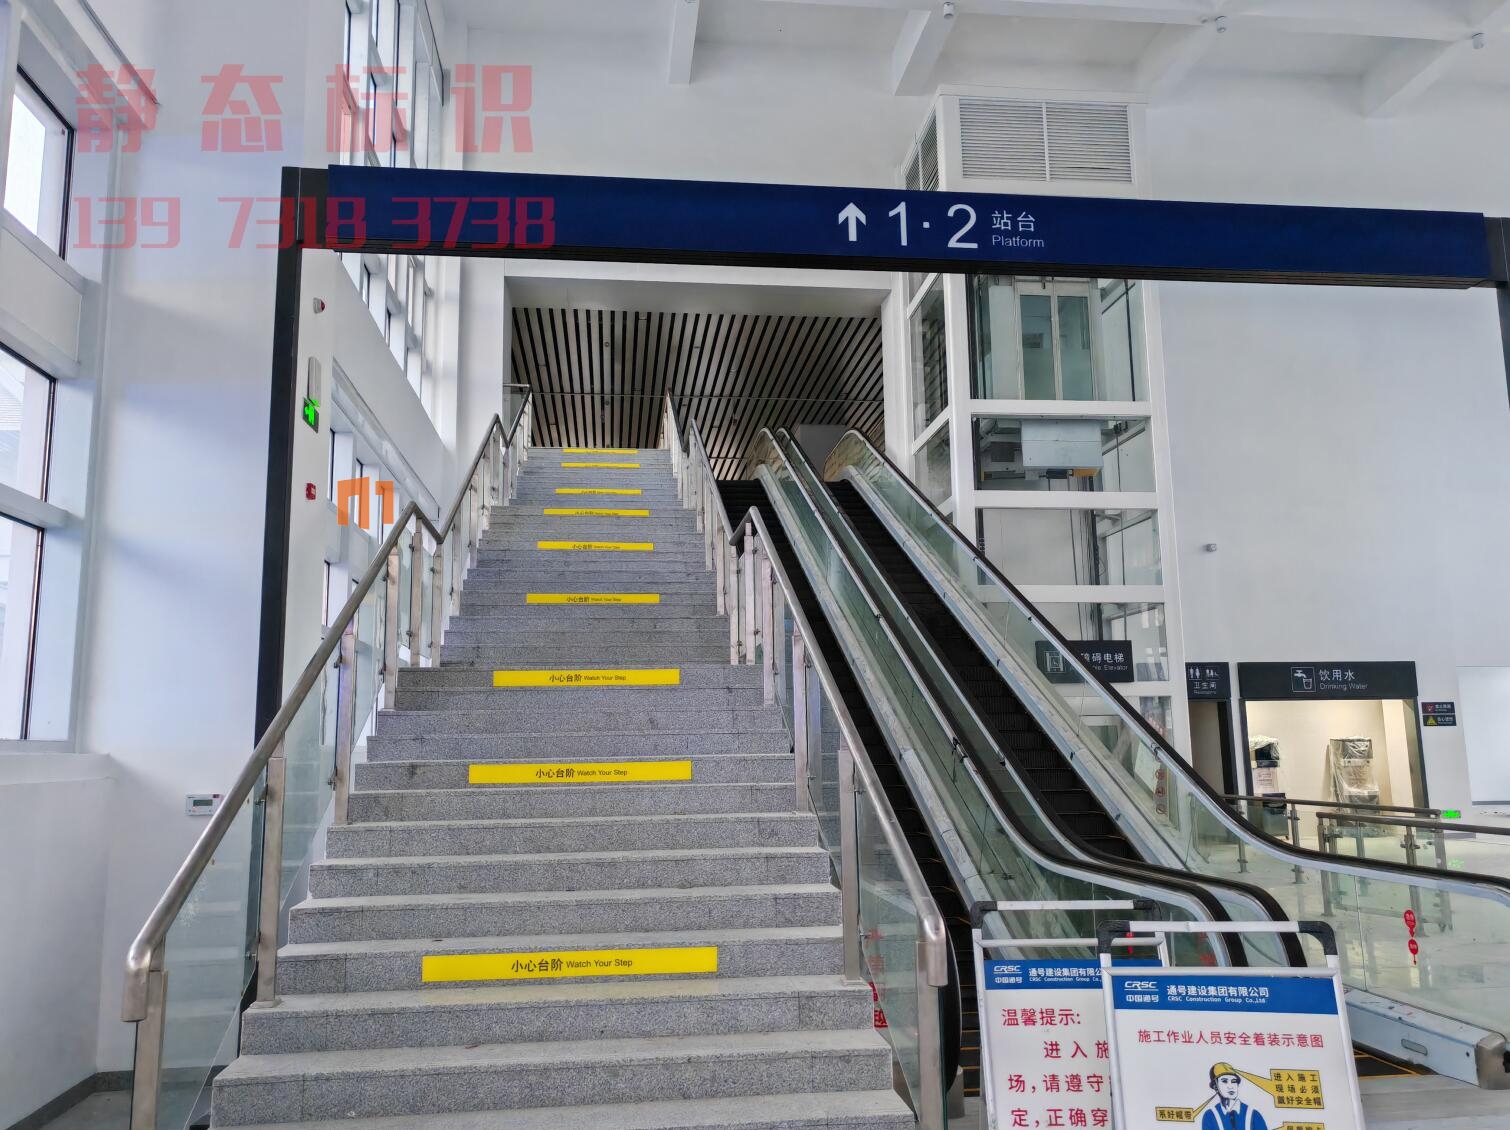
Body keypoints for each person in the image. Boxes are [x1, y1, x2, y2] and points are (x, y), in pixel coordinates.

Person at [1199, 1063, 1269, 1130]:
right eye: (1224, 1081)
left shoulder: (1254, 1115)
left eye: (1234, 1081)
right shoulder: (1210, 1116)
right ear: (1215, 1086)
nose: (1231, 1086)